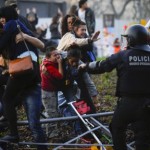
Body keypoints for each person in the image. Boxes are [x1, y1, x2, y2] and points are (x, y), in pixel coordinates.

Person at [79, 24, 150, 150]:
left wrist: (86, 66)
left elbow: (102, 65)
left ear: (131, 39)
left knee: (117, 128)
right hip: (147, 104)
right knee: (143, 137)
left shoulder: (123, 55)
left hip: (127, 103)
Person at [0, 6, 47, 150]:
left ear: (5, 16)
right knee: (33, 123)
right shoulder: (19, 25)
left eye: (1, 18)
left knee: (7, 99)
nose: (1, 21)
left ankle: (14, 133)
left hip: (23, 70)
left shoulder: (11, 24)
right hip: (31, 72)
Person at [40, 46, 63, 137]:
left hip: (50, 91)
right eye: (55, 55)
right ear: (48, 57)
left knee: (51, 111)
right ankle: (51, 134)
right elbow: (60, 76)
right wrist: (60, 63)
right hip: (48, 92)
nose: (58, 56)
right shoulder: (48, 66)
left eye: (58, 54)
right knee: (51, 112)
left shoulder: (47, 62)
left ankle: (45, 128)